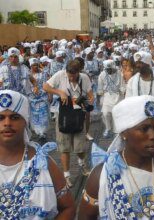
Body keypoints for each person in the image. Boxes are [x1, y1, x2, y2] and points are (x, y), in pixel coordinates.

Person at [78, 95, 154, 219]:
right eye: (144, 128)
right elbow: (85, 216)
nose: (153, 135)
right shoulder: (102, 176)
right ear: (123, 133)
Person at [0, 90, 75, 219]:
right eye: (0, 118)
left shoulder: (44, 163)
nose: (7, 123)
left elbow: (68, 207)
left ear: (26, 122)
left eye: (15, 117)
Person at [43, 60, 93, 187]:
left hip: (79, 115)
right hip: (64, 115)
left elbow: (91, 96)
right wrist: (60, 92)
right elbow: (46, 86)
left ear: (78, 72)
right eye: (69, 75)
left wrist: (84, 101)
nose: (71, 78)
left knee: (80, 147)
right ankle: (66, 176)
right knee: (64, 147)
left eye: (73, 75)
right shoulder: (60, 75)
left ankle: (82, 164)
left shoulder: (84, 78)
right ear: (66, 71)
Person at [97, 59, 125, 138]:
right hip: (107, 96)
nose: (108, 71)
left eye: (109, 69)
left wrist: (122, 91)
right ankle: (108, 128)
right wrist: (100, 97)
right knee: (105, 113)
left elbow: (122, 85)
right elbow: (100, 88)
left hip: (118, 95)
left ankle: (117, 130)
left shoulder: (120, 73)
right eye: (106, 69)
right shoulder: (102, 75)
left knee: (117, 114)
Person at [28, 58, 50, 141]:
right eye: (33, 65)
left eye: (36, 65)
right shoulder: (27, 75)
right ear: (30, 66)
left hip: (43, 97)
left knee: (43, 114)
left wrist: (49, 94)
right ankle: (38, 131)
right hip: (32, 99)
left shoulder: (44, 73)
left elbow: (48, 84)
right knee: (35, 115)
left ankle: (43, 132)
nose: (35, 67)